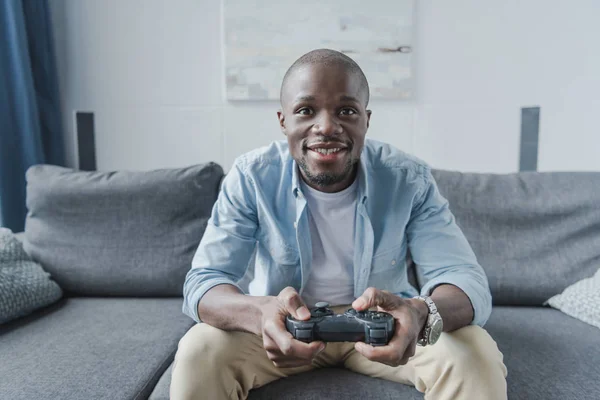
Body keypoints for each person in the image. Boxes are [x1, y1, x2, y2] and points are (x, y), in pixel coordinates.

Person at [171, 49, 508, 400]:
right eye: (306, 111)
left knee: (474, 353)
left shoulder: (409, 179)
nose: (327, 127)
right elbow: (204, 282)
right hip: (283, 327)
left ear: (366, 119)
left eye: (346, 111)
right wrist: (260, 313)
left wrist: (420, 312)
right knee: (200, 349)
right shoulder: (251, 177)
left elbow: (464, 278)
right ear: (284, 121)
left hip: (385, 330)